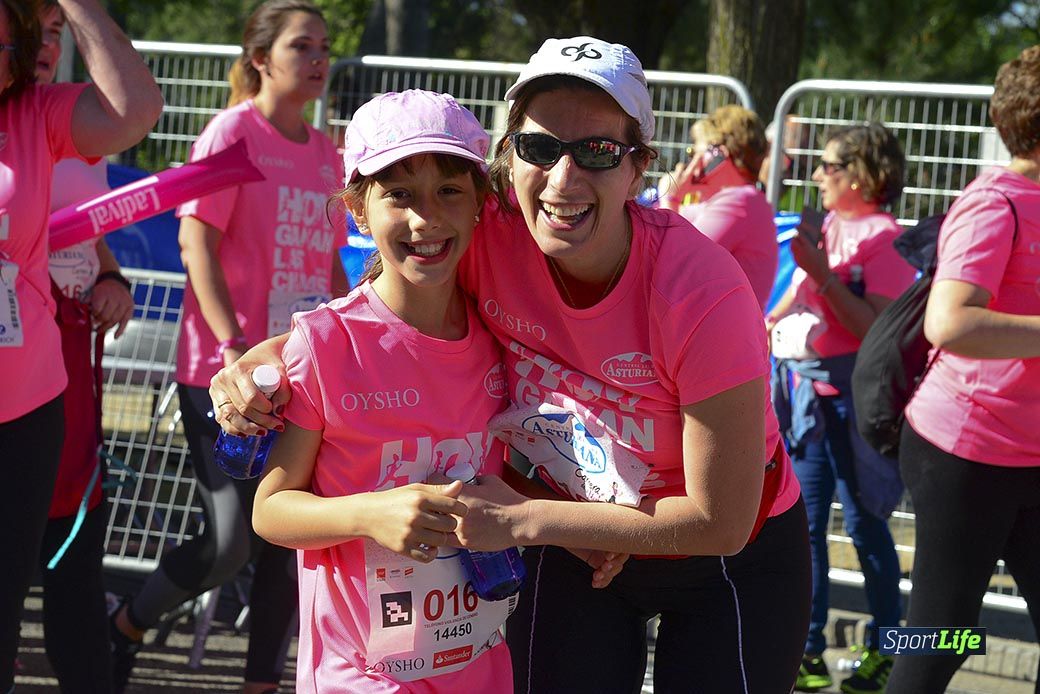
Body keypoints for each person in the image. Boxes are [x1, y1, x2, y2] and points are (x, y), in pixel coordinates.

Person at [212, 36, 811, 694]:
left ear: (638, 168)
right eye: (540, 147)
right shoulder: (481, 231)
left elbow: (717, 521)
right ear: (509, 156)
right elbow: (378, 306)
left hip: (721, 553)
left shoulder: (701, 291)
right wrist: (264, 360)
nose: (563, 178)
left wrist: (526, 520)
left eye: (598, 152)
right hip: (576, 531)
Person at [107, 2, 346, 692]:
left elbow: (328, 266)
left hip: (302, 377)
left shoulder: (326, 152)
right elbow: (196, 246)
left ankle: (261, 683)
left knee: (289, 538)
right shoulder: (230, 134)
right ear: (261, 57)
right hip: (223, 376)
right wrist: (234, 349)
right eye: (304, 45)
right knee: (230, 540)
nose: (320, 58)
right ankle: (125, 624)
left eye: (325, 46)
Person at [251, 88, 523, 692]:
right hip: (360, 675)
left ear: (480, 202)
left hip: (479, 669)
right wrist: (371, 514)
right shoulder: (325, 343)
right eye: (399, 195)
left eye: (449, 191)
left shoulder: (502, 337)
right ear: (357, 209)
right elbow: (270, 511)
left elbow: (513, 481)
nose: (426, 219)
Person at [0, 0, 161, 690]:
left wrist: (79, 3)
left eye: (12, 44)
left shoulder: (33, 113)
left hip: (27, 403)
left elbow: (135, 109)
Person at [887, 45, 1040, 694]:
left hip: (1030, 453)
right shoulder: (995, 202)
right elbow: (948, 322)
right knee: (942, 635)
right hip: (966, 450)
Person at [766, 122, 915, 693]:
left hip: (856, 409)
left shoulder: (886, 237)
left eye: (829, 165)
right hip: (807, 404)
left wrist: (825, 275)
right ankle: (807, 650)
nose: (818, 175)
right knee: (804, 528)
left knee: (865, 526)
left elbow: (876, 327)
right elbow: (798, 295)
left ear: (861, 174)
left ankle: (887, 648)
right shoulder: (826, 223)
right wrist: (767, 324)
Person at [28, 2, 136, 690]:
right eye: (28, 27)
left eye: (54, 31)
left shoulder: (66, 114)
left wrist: (111, 276)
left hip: (65, 353)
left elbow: (86, 226)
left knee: (73, 545)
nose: (44, 44)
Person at [657, 104, 778, 309]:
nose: (691, 163)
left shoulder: (741, 202)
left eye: (696, 152)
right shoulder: (726, 202)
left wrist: (670, 199)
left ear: (719, 155)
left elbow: (675, 264)